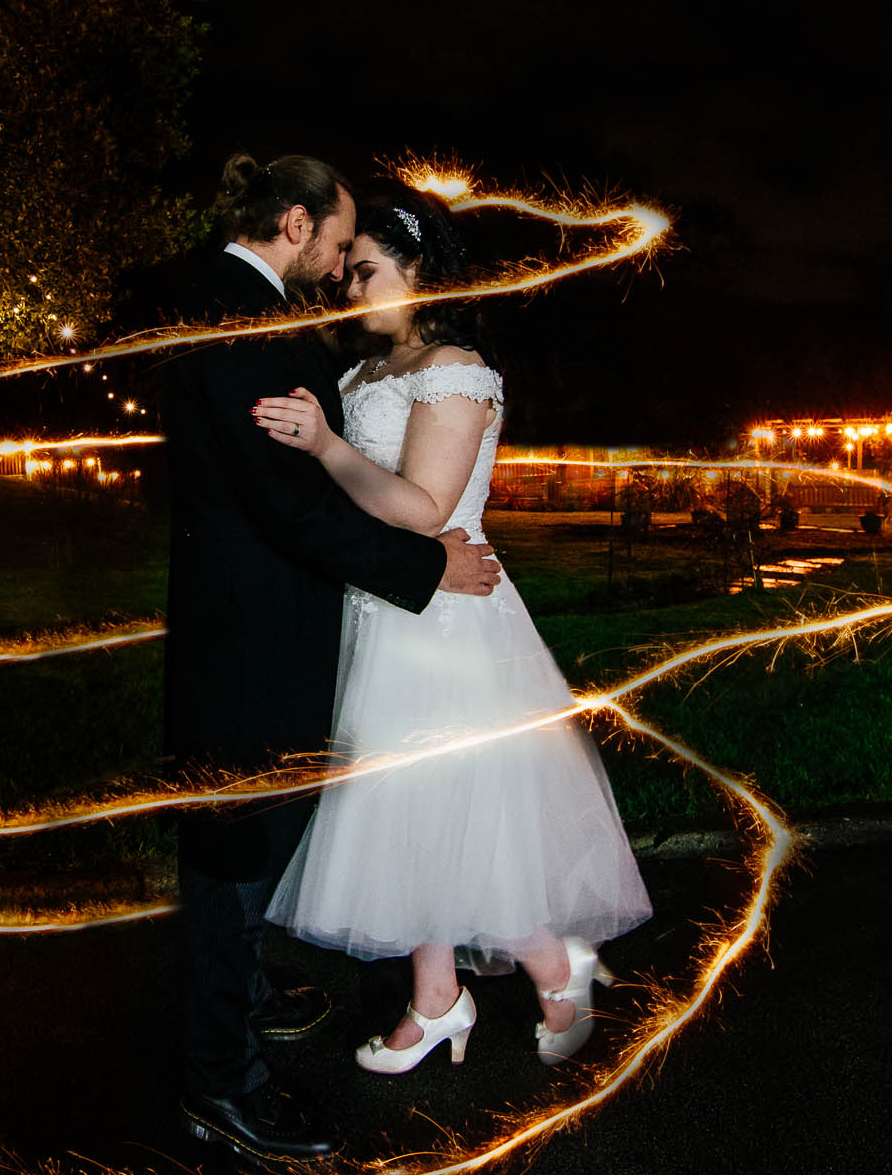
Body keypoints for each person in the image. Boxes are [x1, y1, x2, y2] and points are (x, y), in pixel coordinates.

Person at [255, 183, 652, 1073]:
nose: (351, 291)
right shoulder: (361, 375)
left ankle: (556, 968)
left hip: (447, 622)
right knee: (409, 815)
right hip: (379, 613)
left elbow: (425, 508)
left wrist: (324, 446)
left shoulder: (457, 369)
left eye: (365, 273)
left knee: (458, 811)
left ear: (418, 271)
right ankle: (438, 996)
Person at [162, 154, 503, 1175]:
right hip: (247, 638)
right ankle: (220, 1083)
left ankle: (253, 1003)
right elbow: (284, 504)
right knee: (228, 861)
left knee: (245, 841)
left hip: (256, 624)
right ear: (298, 224)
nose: (338, 265)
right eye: (335, 244)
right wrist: (423, 566)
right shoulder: (240, 316)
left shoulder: (234, 302)